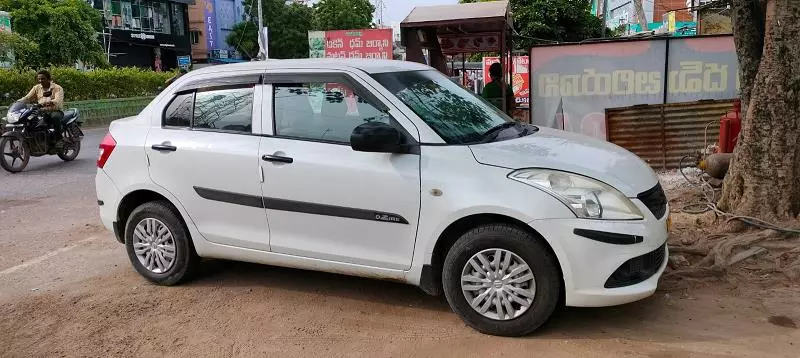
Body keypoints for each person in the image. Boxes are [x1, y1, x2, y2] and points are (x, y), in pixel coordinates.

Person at [20, 70, 65, 142]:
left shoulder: (57, 88)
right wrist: (17, 102)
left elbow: (57, 101)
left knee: (55, 117)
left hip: (55, 111)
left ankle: (59, 139)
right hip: (41, 111)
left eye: (43, 79)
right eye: (39, 79)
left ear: (48, 79)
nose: (41, 81)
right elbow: (27, 98)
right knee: (29, 120)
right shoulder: (36, 88)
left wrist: (45, 103)